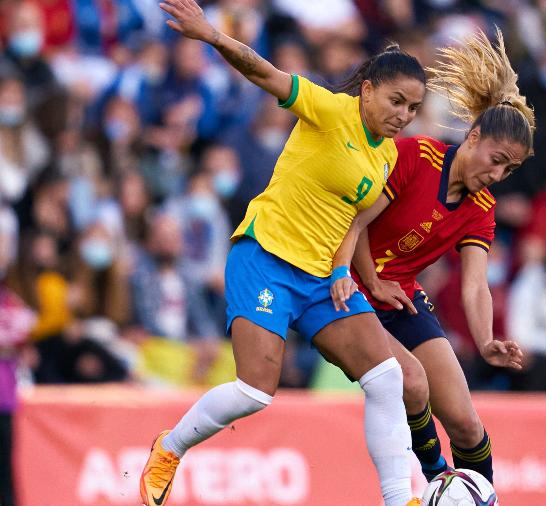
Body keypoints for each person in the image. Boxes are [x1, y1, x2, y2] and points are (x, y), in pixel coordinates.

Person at [139, 1, 427, 505]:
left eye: (413, 109)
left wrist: (342, 268)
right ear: (366, 90)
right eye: (396, 101)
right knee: (254, 391)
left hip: (320, 281)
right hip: (265, 259)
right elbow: (265, 72)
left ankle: (398, 499)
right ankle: (169, 448)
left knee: (387, 379)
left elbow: (352, 221)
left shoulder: (383, 155)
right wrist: (213, 36)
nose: (402, 116)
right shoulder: (328, 110)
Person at [340, 29, 530, 484]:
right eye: (497, 158)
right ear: (475, 135)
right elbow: (356, 222)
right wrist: (374, 279)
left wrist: (485, 341)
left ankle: (480, 496)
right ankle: (434, 483)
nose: (498, 174)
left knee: (465, 423)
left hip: (400, 300)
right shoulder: (416, 155)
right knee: (412, 383)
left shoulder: (482, 209)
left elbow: (475, 283)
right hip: (346, 288)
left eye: (510, 169)